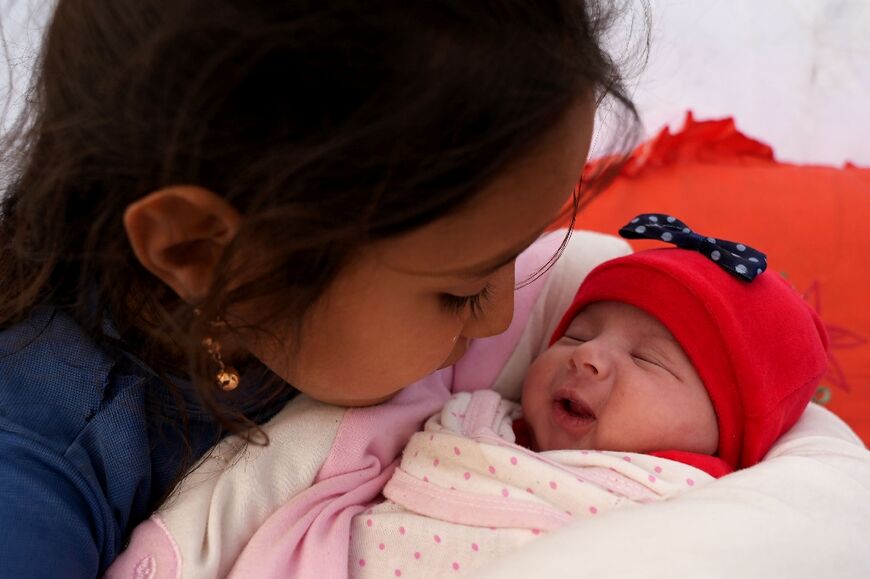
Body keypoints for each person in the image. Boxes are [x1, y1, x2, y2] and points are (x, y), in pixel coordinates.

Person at [3, 2, 870, 579]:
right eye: (459, 293)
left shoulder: (340, 290)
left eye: (522, 250)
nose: (508, 312)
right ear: (207, 253)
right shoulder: (38, 479)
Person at [344, 226, 829, 577]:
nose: (589, 357)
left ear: (726, 431)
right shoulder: (484, 422)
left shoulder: (703, 505)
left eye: (647, 359)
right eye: (575, 336)